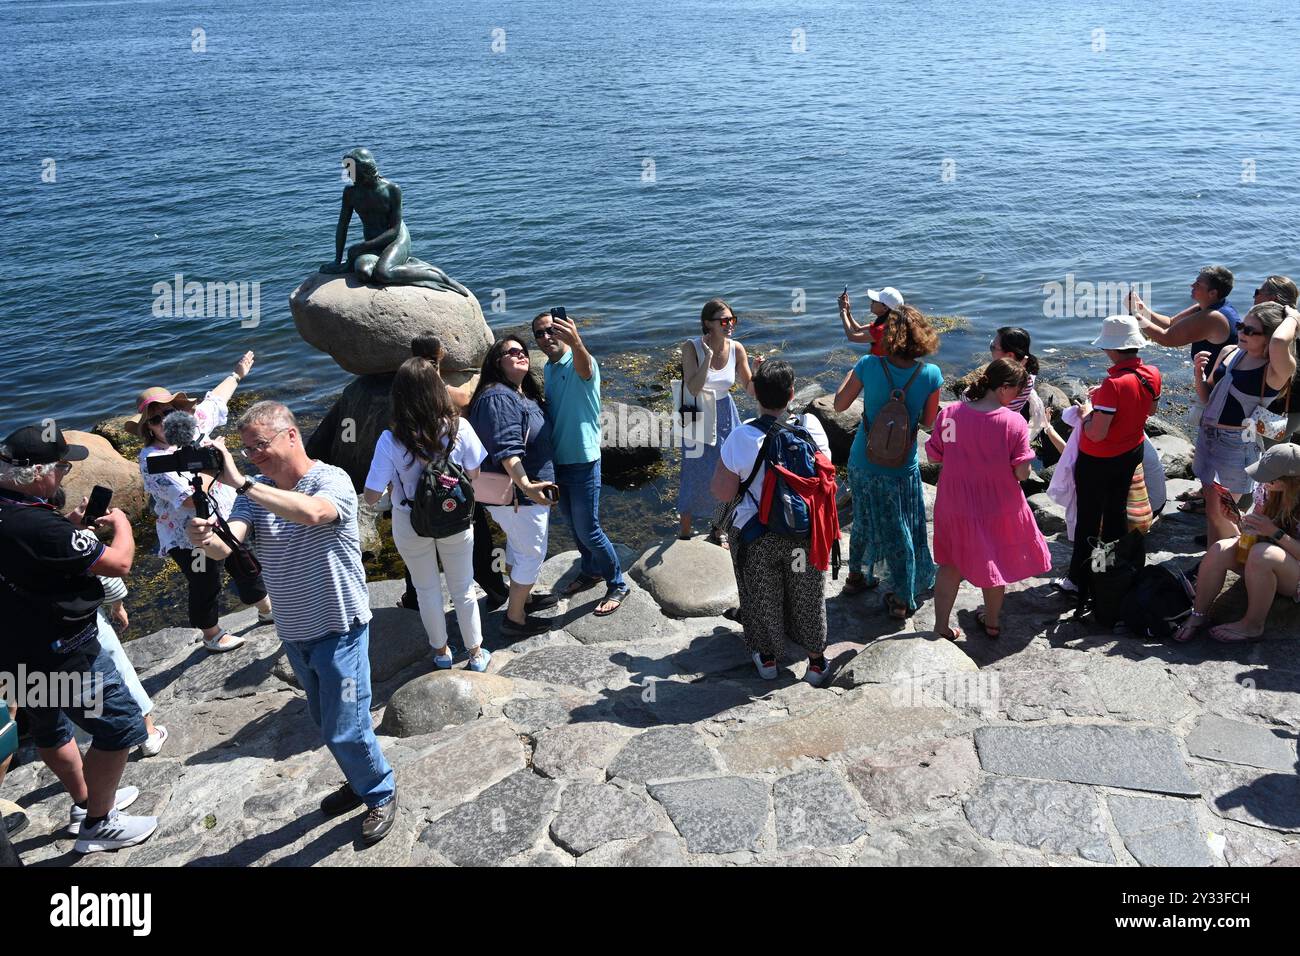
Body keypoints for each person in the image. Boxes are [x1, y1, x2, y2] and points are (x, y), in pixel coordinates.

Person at [186, 402, 397, 846]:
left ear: (292, 435)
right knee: (326, 720)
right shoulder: (257, 491)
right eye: (246, 449)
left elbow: (314, 513)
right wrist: (206, 538)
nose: (254, 455)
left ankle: (379, 791)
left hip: (339, 630)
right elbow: (230, 547)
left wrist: (241, 483)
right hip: (295, 632)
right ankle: (360, 778)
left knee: (348, 724)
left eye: (260, 445)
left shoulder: (330, 479)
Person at [0, 423, 158, 854]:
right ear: (37, 473)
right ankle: (99, 825)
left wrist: (68, 527)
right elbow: (120, 564)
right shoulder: (38, 526)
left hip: (15, 647)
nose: (67, 473)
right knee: (119, 727)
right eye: (63, 466)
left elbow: (29, 552)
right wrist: (122, 523)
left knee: (50, 725)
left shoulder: (11, 509)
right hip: (63, 648)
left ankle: (86, 802)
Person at [131, 351, 272, 653]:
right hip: (187, 533)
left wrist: (237, 374)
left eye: (169, 412)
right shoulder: (152, 460)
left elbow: (216, 400)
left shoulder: (193, 427)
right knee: (205, 580)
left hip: (225, 514)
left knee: (243, 560)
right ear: (148, 428)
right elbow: (187, 502)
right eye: (156, 418)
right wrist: (216, 465)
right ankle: (211, 634)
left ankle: (265, 608)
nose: (165, 420)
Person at [364, 340, 491, 671]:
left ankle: (441, 653)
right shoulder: (460, 427)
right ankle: (476, 654)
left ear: (399, 394)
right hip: (456, 517)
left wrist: (396, 483)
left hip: (410, 521)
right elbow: (475, 474)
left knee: (426, 589)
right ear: (438, 388)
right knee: (464, 588)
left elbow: (371, 496)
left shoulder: (390, 439)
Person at [711, 360, 835, 684]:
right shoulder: (811, 427)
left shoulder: (740, 437)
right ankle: (817, 662)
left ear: (756, 395)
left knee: (761, 592)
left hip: (759, 535)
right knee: (807, 591)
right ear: (792, 393)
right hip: (805, 533)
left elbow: (722, 492)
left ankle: (767, 659)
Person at [926, 359, 1052, 640]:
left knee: (950, 564)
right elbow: (1021, 473)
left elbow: (935, 455)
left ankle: (941, 627)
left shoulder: (951, 414)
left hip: (955, 500)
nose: (1018, 396)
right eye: (1018, 390)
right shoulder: (1013, 423)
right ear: (1004, 388)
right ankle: (992, 621)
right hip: (998, 503)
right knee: (994, 561)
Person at [833, 305, 944, 617]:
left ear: (890, 336)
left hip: (862, 459)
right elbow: (929, 422)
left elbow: (840, 405)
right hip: (901, 465)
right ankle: (901, 596)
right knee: (902, 526)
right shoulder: (931, 374)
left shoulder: (868, 364)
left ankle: (857, 576)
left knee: (864, 517)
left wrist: (849, 377)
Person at [1054, 316, 1162, 602]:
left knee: (1088, 521)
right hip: (1131, 451)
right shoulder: (1151, 373)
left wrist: (1086, 411)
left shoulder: (1112, 384)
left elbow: (1097, 433)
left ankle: (1079, 580)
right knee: (1115, 515)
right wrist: (1101, 402)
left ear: (1111, 349)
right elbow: (1149, 411)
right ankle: (1111, 570)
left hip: (1098, 460)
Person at [532, 310, 630, 616]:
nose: (547, 337)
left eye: (552, 330)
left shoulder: (580, 362)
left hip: (584, 459)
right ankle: (590, 570)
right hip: (558, 462)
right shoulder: (548, 369)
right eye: (540, 333)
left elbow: (586, 367)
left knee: (590, 529)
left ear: (564, 331)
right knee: (574, 526)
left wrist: (577, 342)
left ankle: (617, 583)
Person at [468, 337, 562, 638]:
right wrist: (527, 485)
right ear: (498, 362)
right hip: (520, 493)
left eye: (523, 351)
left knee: (518, 546)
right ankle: (515, 618)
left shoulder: (518, 393)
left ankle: (524, 596)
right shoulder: (498, 397)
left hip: (524, 492)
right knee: (532, 552)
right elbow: (507, 448)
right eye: (513, 352)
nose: (521, 355)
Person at [1190, 302, 1298, 546]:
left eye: (1251, 331)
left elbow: (1281, 342)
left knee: (1222, 513)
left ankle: (1237, 554)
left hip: (1236, 445)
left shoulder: (1275, 370)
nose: (1241, 333)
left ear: (1269, 338)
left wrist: (1293, 317)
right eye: (1241, 326)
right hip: (1208, 437)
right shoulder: (1230, 351)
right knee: (1212, 510)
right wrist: (1198, 372)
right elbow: (1207, 397)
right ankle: (1210, 561)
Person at [1175, 443, 1300, 643]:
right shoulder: (1267, 489)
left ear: (1290, 481)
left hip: (1292, 571)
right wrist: (1237, 521)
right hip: (1272, 554)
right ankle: (1198, 614)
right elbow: (1256, 529)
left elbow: (1270, 534)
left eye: (1269, 478)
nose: (1262, 481)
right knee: (1218, 549)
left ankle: (1252, 625)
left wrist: (1274, 533)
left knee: (1262, 554)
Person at [678, 298, 761, 542]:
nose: (729, 324)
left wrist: (756, 373)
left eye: (732, 319)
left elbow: (750, 389)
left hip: (726, 413)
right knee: (693, 473)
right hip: (697, 413)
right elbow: (692, 388)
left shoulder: (737, 348)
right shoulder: (691, 348)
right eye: (724, 320)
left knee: (729, 472)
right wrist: (708, 357)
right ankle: (684, 533)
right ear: (707, 323)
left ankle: (719, 529)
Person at [96, 575, 167, 756]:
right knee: (116, 667)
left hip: (31, 627)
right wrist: (117, 605)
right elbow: (104, 568)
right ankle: (148, 733)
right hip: (77, 616)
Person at [1130, 264, 1240, 367]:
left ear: (1212, 293)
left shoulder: (1212, 317)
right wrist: (1141, 308)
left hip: (1221, 383)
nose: (1192, 285)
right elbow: (1170, 323)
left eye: (1198, 284)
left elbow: (1166, 339)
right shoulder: (1208, 306)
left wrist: (1136, 316)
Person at [1254, 276, 1300, 441]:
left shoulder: (1273, 332)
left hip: (1274, 414)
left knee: (1262, 456)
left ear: (1272, 299)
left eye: (1257, 292)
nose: (1254, 297)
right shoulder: (1294, 327)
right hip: (1291, 412)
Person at [839, 286, 905, 356]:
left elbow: (852, 336)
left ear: (885, 308)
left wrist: (843, 311)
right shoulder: (890, 323)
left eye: (874, 301)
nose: (871, 302)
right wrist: (848, 312)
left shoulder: (883, 330)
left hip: (882, 364)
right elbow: (858, 329)